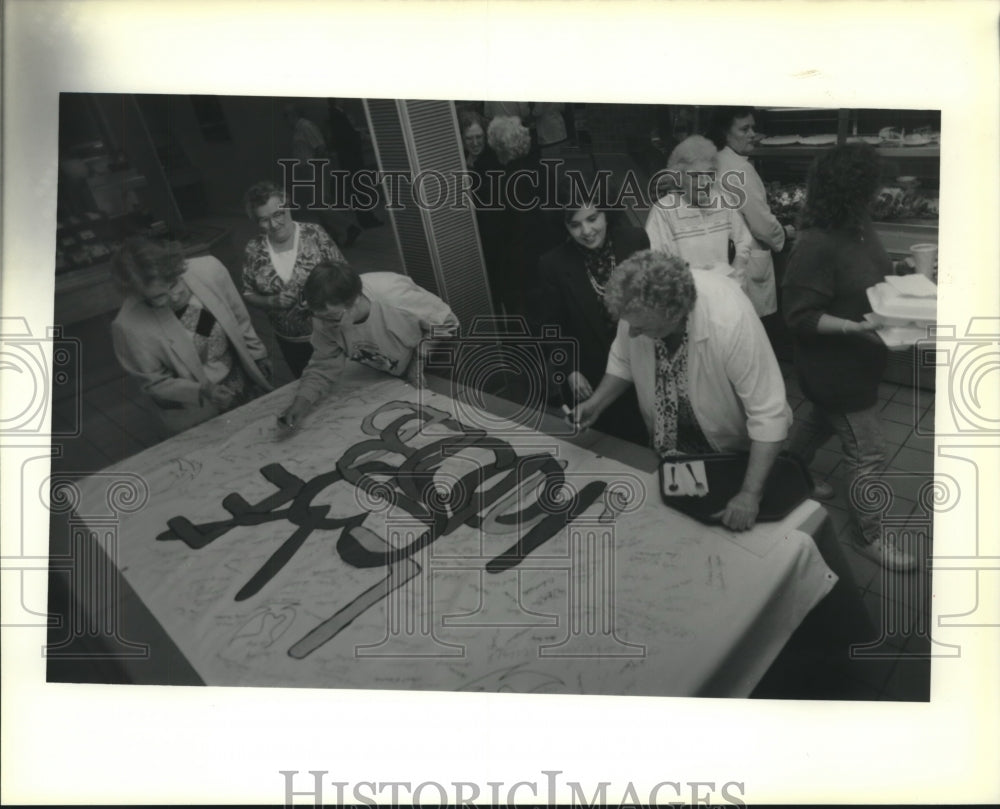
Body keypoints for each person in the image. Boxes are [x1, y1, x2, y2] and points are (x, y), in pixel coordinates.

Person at [571, 249, 792, 531]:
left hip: (729, 455)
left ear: (673, 315)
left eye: (641, 328)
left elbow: (769, 412)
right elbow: (623, 359)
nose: (633, 334)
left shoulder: (729, 319)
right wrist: (596, 403)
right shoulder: (636, 310)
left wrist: (750, 494)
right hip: (669, 452)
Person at [782, 143, 917, 572]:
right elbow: (799, 317)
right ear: (850, 190)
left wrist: (903, 274)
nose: (878, 193)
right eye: (870, 187)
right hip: (834, 370)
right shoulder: (816, 245)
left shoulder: (859, 226)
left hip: (858, 361)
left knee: (819, 422)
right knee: (869, 453)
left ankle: (786, 475)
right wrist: (854, 327)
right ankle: (868, 538)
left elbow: (868, 276)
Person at [110, 236, 273, 436]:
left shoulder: (209, 270)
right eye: (159, 297)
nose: (174, 297)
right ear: (139, 295)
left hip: (243, 379)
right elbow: (155, 382)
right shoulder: (128, 325)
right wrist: (201, 391)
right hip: (198, 408)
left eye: (173, 284)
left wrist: (258, 353)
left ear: (176, 268)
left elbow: (239, 317)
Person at [535, 175, 649, 445]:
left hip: (642, 358)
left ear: (607, 213)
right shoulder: (552, 264)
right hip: (590, 373)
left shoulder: (635, 240)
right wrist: (569, 368)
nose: (586, 231)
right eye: (574, 224)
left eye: (592, 218)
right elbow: (549, 326)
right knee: (609, 446)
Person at [278, 263, 459, 429]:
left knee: (449, 417)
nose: (325, 324)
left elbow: (446, 323)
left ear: (355, 300)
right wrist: (301, 402)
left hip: (437, 354)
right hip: (394, 363)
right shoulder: (324, 315)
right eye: (318, 315)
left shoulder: (392, 294)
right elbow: (324, 365)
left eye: (332, 317)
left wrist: (418, 359)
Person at [241, 181, 348, 378]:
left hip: (331, 333)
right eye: (264, 220)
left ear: (288, 205)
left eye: (278, 214)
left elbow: (344, 275)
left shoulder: (314, 233)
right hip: (290, 342)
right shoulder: (253, 249)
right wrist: (270, 301)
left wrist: (321, 294)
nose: (274, 225)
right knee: (308, 384)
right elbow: (248, 293)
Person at [708, 106, 794, 319]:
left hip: (722, 257)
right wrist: (786, 232)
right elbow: (761, 225)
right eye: (744, 129)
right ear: (725, 134)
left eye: (753, 128)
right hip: (745, 262)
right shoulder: (740, 168)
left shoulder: (713, 161)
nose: (752, 134)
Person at [644, 135, 752, 293]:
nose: (704, 183)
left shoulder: (723, 201)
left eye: (709, 174)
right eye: (695, 176)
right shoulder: (664, 211)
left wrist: (736, 278)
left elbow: (744, 241)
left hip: (724, 294)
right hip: (687, 299)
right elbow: (654, 262)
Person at [486, 115, 560, 316]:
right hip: (551, 259)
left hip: (520, 273)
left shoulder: (500, 185)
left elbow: (497, 236)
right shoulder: (545, 171)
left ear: (499, 149)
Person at [282, 103, 360, 248]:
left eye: (285, 116)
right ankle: (333, 237)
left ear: (293, 115)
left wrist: (316, 169)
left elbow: (320, 147)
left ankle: (349, 227)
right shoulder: (298, 129)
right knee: (318, 206)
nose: (285, 120)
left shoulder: (306, 126)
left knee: (320, 205)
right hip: (307, 170)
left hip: (315, 169)